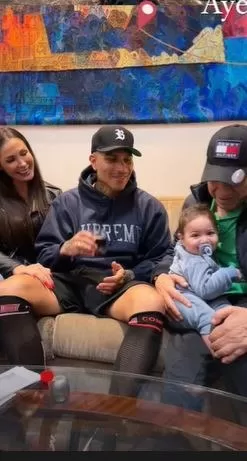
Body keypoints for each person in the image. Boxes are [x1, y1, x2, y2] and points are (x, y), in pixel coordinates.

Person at [1, 125, 173, 394]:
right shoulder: (67, 202)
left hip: (117, 288)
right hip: (69, 282)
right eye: (112, 159)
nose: (121, 168)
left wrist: (128, 275)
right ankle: (32, 395)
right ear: (93, 161)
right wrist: (65, 249)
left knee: (152, 301)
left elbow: (162, 256)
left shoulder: (149, 207)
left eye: (127, 159)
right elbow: (45, 253)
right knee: (10, 288)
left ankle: (118, 411)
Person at [153, 123, 247, 401]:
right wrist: (161, 277)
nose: (221, 189)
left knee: (236, 359)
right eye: (215, 178)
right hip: (199, 297)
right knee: (182, 375)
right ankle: (175, 438)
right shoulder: (197, 202)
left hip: (240, 302)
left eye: (235, 179)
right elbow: (174, 249)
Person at [0, 127, 62, 365]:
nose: (22, 163)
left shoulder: (55, 196)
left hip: (49, 280)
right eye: (11, 160)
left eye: (24, 153)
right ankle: (31, 391)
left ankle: (29, 391)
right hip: (9, 276)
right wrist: (17, 268)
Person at [168, 203, 242, 352]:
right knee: (206, 317)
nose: (204, 240)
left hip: (199, 293)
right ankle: (218, 351)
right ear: (181, 238)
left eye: (210, 233)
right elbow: (206, 290)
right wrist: (230, 272)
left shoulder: (198, 252)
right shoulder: (193, 260)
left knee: (226, 309)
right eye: (195, 235)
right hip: (183, 298)